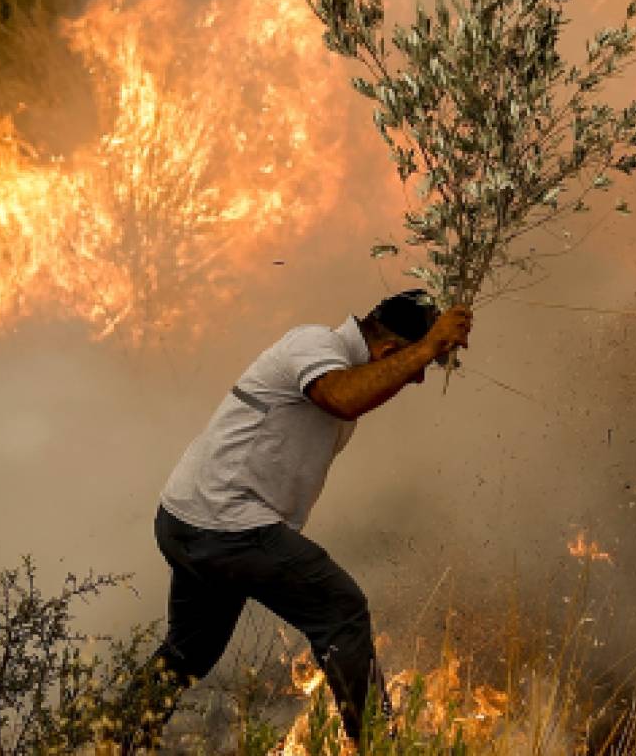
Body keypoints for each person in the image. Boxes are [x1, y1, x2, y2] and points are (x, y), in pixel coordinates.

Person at [121, 290, 472, 749]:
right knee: (341, 610)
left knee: (189, 653)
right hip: (226, 525)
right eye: (416, 367)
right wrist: (429, 346)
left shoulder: (337, 358)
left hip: (189, 520)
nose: (420, 379)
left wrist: (429, 345)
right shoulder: (313, 344)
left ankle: (113, 740)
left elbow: (357, 394)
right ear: (387, 351)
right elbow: (342, 397)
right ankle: (380, 747)